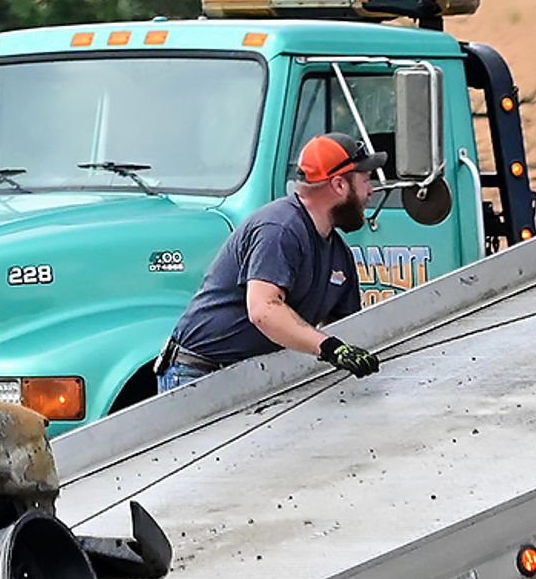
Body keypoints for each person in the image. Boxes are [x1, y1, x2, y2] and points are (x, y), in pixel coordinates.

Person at [158, 133, 383, 391]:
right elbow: (263, 310)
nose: (371, 191)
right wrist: (330, 347)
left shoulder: (339, 253)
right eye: (365, 181)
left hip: (251, 375)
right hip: (198, 373)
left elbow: (346, 330)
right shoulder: (280, 229)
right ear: (339, 185)